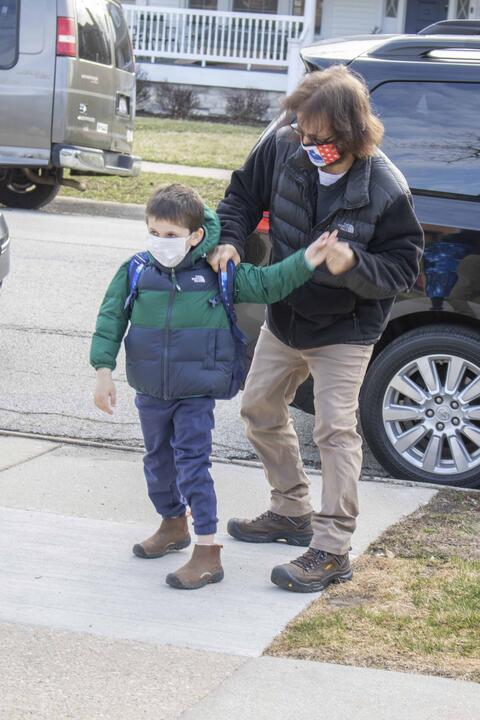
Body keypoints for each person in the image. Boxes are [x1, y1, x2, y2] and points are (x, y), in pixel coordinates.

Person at [210, 65, 424, 593]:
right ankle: (290, 511)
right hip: (286, 315)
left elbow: (400, 270)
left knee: (334, 432)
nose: (307, 144)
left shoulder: (385, 188)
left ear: (351, 132)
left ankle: (332, 549)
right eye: (301, 131)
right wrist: (231, 239)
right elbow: (240, 197)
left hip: (346, 329)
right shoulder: (286, 147)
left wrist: (351, 263)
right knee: (258, 410)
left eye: (319, 138)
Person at [90, 183, 339, 591]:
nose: (160, 242)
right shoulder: (136, 270)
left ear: (195, 235)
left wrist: (308, 259)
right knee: (156, 463)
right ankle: (173, 524)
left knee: (192, 466)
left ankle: (207, 550)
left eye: (170, 235)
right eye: (153, 232)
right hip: (150, 390)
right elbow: (109, 320)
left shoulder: (218, 275)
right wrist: (102, 370)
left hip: (195, 393)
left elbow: (271, 282)